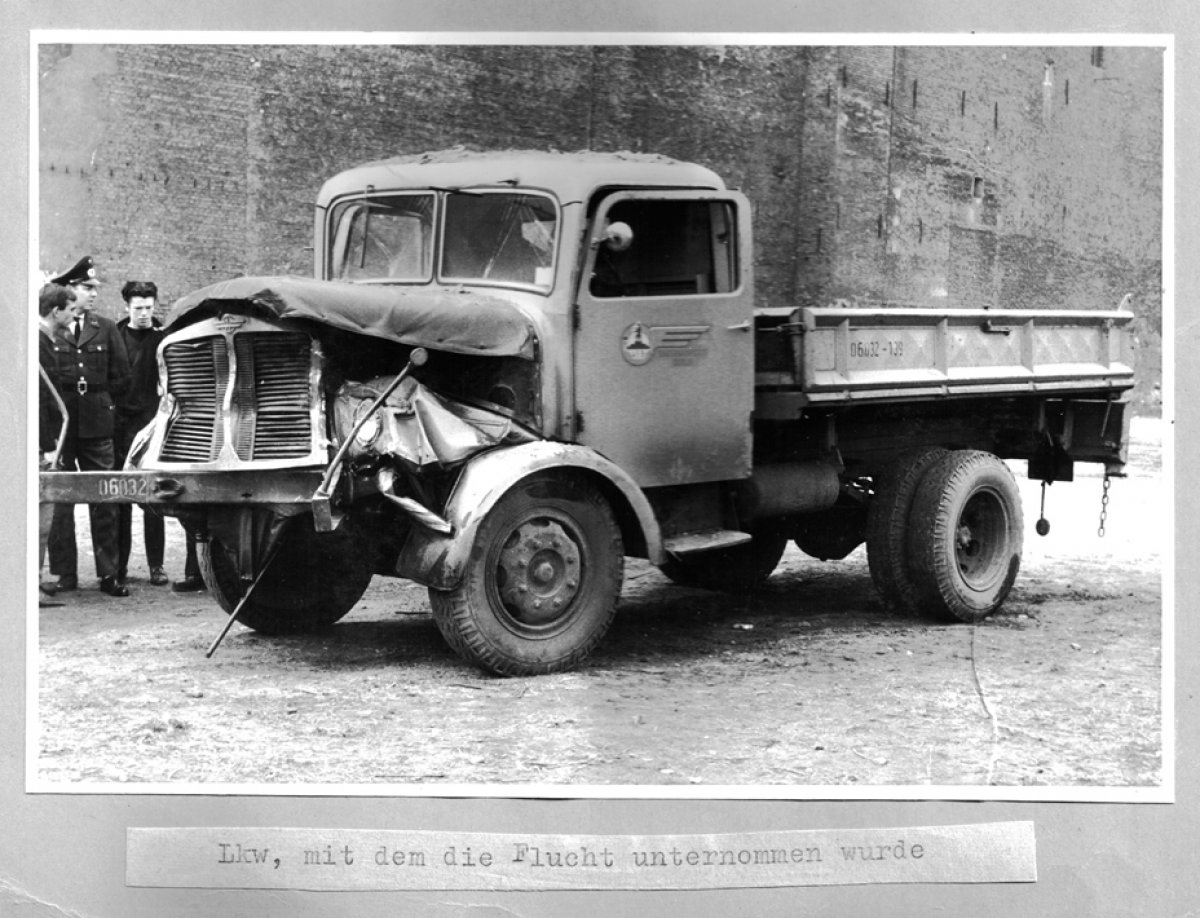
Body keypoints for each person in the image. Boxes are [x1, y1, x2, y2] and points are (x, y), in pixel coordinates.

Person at [44, 256, 132, 597]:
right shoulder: (54, 326)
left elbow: (121, 377)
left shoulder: (106, 327)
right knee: (61, 498)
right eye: (85, 288)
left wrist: (110, 413)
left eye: (94, 289)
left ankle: (109, 573)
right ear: (69, 291)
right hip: (63, 426)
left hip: (98, 422)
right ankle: (64, 573)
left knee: (105, 497)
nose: (92, 294)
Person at [114, 280, 167, 586]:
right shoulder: (116, 336)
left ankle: (156, 566)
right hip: (121, 425)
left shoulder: (163, 338)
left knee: (152, 499)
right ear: (127, 307)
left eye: (149, 307)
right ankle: (120, 567)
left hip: (152, 424)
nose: (145, 313)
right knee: (121, 497)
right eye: (138, 308)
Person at [37, 284, 75, 608]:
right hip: (41, 445)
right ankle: (30, 585)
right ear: (55, 311)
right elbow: (38, 402)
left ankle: (34, 578)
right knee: (39, 516)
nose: (72, 314)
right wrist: (47, 447)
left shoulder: (44, 340)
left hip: (46, 442)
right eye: (69, 309)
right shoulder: (37, 342)